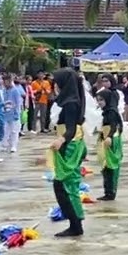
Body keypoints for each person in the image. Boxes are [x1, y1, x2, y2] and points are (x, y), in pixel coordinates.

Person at [49, 67, 86, 236]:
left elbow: (71, 129)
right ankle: (75, 223)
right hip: (71, 144)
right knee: (65, 185)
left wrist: (61, 139)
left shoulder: (71, 102)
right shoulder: (70, 100)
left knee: (64, 185)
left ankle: (75, 225)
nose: (55, 85)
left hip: (70, 145)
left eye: (57, 82)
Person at [96, 86, 125, 201]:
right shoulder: (106, 112)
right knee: (106, 166)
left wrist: (109, 137)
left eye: (101, 100)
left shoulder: (111, 112)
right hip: (106, 140)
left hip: (111, 141)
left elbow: (113, 126)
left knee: (110, 167)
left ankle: (111, 192)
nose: (99, 102)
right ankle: (107, 192)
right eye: (98, 100)